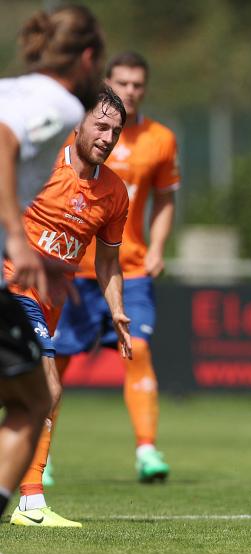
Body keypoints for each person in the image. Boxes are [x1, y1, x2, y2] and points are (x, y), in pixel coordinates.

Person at [0, 6, 105, 554]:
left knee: (32, 395)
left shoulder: (13, 87)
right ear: (87, 58)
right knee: (37, 397)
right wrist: (18, 239)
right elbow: (2, 142)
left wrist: (39, 259)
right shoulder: (61, 104)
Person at [6, 88, 133, 529]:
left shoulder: (114, 193)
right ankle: (30, 502)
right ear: (78, 123)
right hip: (12, 288)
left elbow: (108, 263)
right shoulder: (39, 165)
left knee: (23, 395)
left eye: (115, 131)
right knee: (47, 390)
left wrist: (117, 310)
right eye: (101, 126)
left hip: (50, 305)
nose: (107, 137)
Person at [53, 51, 179, 484]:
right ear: (108, 82)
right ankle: (37, 454)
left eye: (138, 85)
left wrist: (158, 247)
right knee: (52, 363)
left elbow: (165, 200)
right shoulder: (76, 133)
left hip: (129, 267)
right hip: (71, 269)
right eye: (122, 83)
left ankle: (146, 449)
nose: (130, 91)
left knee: (137, 349)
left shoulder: (160, 139)